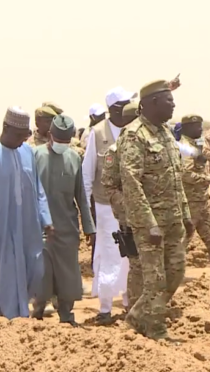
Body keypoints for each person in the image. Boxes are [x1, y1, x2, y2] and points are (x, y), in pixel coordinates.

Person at [121, 79, 194, 340]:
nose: (173, 105)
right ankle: (156, 329)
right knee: (155, 280)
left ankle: (137, 317)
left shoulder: (164, 133)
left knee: (175, 274)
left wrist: (186, 214)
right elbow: (131, 183)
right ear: (152, 103)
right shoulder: (134, 135)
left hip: (173, 220)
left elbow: (176, 177)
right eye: (168, 101)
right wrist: (148, 222)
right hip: (150, 223)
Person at [0, 107, 53, 320]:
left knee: (35, 269)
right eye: (18, 135)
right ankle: (9, 318)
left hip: (29, 225)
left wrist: (46, 219)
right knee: (7, 274)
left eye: (25, 136)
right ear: (5, 128)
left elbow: (38, 189)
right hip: (2, 225)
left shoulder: (27, 152)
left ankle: (14, 311)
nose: (22, 140)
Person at [31, 114, 95, 325]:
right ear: (50, 135)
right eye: (59, 141)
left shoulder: (74, 158)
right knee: (42, 275)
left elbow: (81, 197)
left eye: (66, 142)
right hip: (40, 229)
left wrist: (89, 227)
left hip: (67, 228)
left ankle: (67, 316)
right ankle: (38, 312)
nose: (62, 145)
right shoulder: (35, 156)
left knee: (68, 276)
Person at [82, 86, 134, 324]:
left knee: (131, 255)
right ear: (114, 109)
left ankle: (128, 302)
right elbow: (87, 173)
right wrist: (86, 215)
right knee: (110, 255)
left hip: (133, 207)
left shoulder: (134, 130)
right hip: (106, 208)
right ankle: (105, 308)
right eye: (125, 104)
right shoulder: (98, 133)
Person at [101, 101, 143, 310]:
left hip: (153, 214)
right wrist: (128, 211)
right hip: (132, 217)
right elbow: (109, 185)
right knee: (136, 265)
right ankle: (135, 309)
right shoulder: (115, 149)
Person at [179, 114, 210, 274]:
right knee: (182, 242)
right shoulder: (185, 147)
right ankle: (170, 277)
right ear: (187, 128)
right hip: (190, 204)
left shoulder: (197, 145)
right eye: (197, 126)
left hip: (201, 202)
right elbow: (185, 174)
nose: (200, 129)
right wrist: (209, 180)